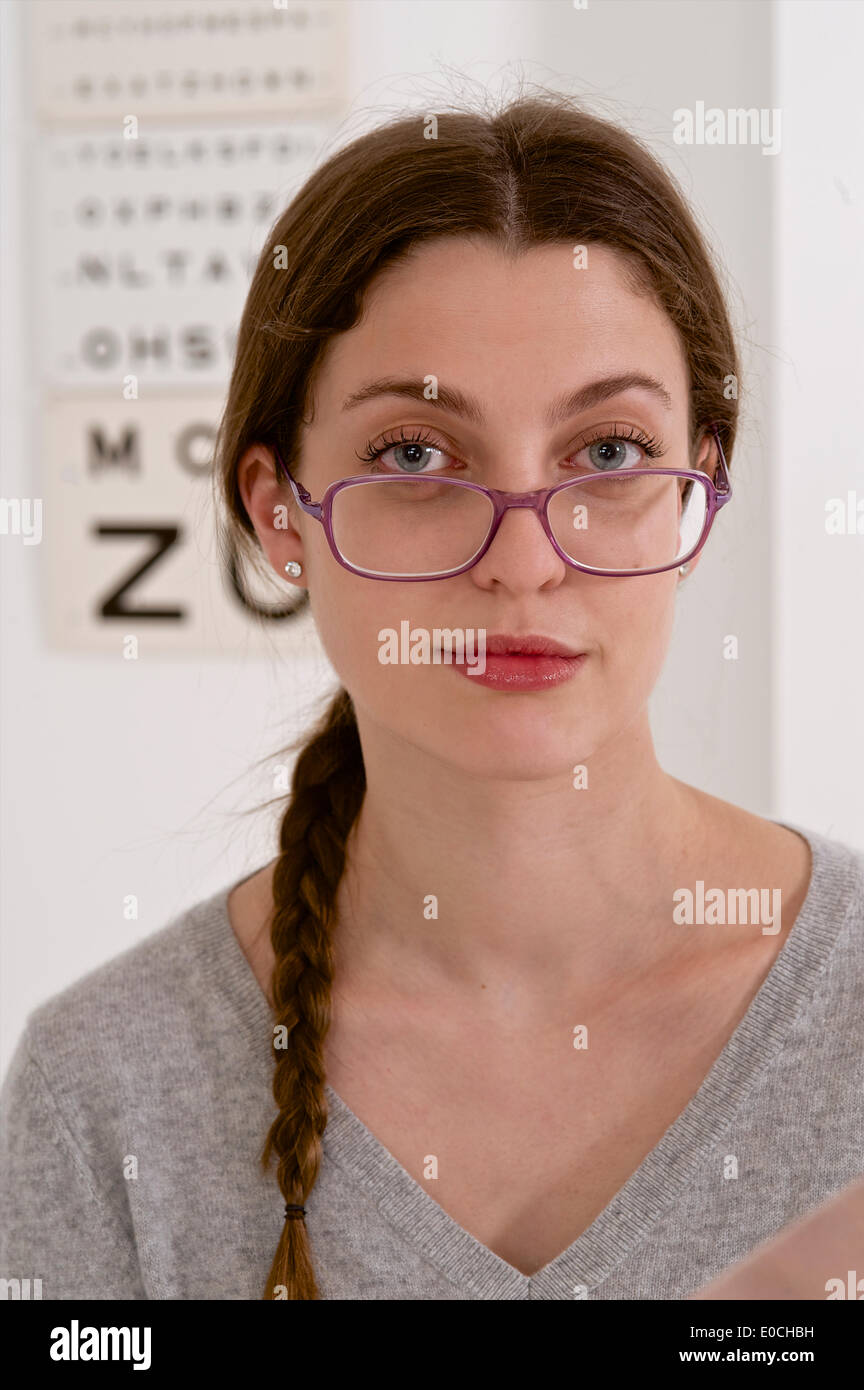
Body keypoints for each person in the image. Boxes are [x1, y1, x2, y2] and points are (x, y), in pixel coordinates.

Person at [1, 92, 862, 1302]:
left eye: (606, 453)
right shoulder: (104, 1089)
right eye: (416, 454)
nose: (523, 559)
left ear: (698, 492)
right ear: (276, 510)